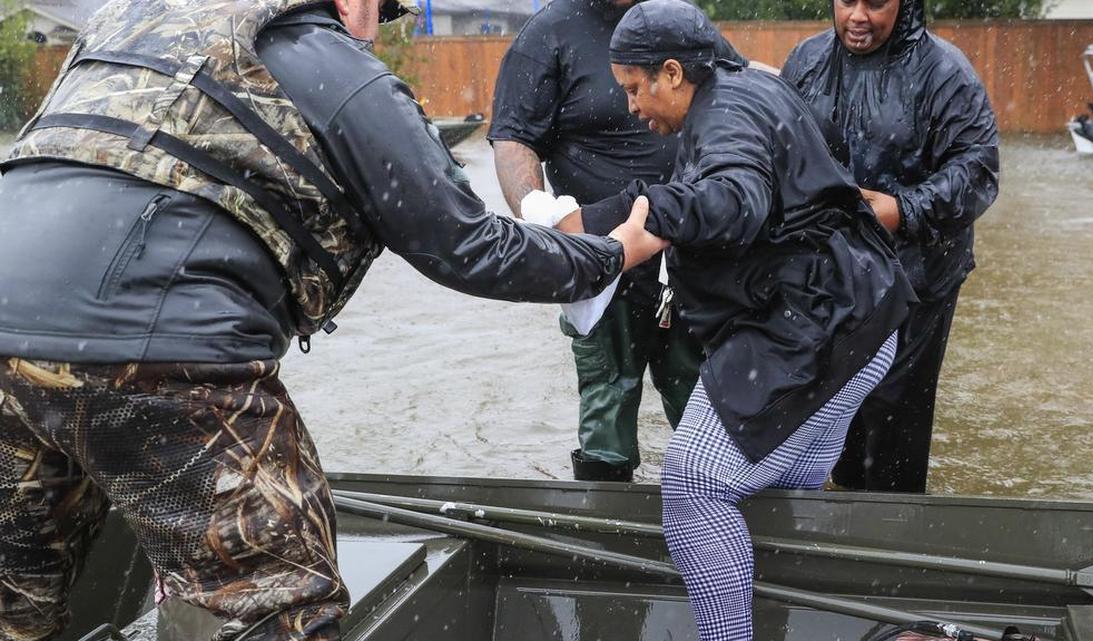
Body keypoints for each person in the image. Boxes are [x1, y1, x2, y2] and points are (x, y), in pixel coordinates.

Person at [0, 1, 663, 639]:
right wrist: (610, 253)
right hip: (158, 347)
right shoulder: (332, 63)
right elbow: (468, 247)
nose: (378, 31)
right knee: (289, 608)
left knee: (16, 606)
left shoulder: (132, 22)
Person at [555, 1, 915, 638]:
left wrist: (650, 230)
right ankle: (790, 623)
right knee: (785, 490)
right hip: (861, 317)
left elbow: (732, 200)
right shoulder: (742, 87)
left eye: (635, 90)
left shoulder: (727, 118)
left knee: (694, 481)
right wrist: (571, 224)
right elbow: (695, 182)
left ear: (671, 73)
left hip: (816, 326)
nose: (633, 107)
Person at [488, 0, 745, 482]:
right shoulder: (547, 35)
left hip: (694, 255)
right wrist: (539, 217)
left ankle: (714, 510)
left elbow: (738, 92)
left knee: (709, 405)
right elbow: (513, 141)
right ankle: (605, 537)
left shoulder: (677, 21)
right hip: (603, 260)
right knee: (608, 408)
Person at [781, 0, 1000, 493]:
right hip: (830, 271)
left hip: (918, 274)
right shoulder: (806, 62)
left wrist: (903, 210)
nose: (858, 15)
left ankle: (895, 522)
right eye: (846, 1)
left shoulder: (945, 74)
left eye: (876, 3)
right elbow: (780, 151)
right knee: (832, 403)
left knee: (896, 410)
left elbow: (977, 172)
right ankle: (843, 512)